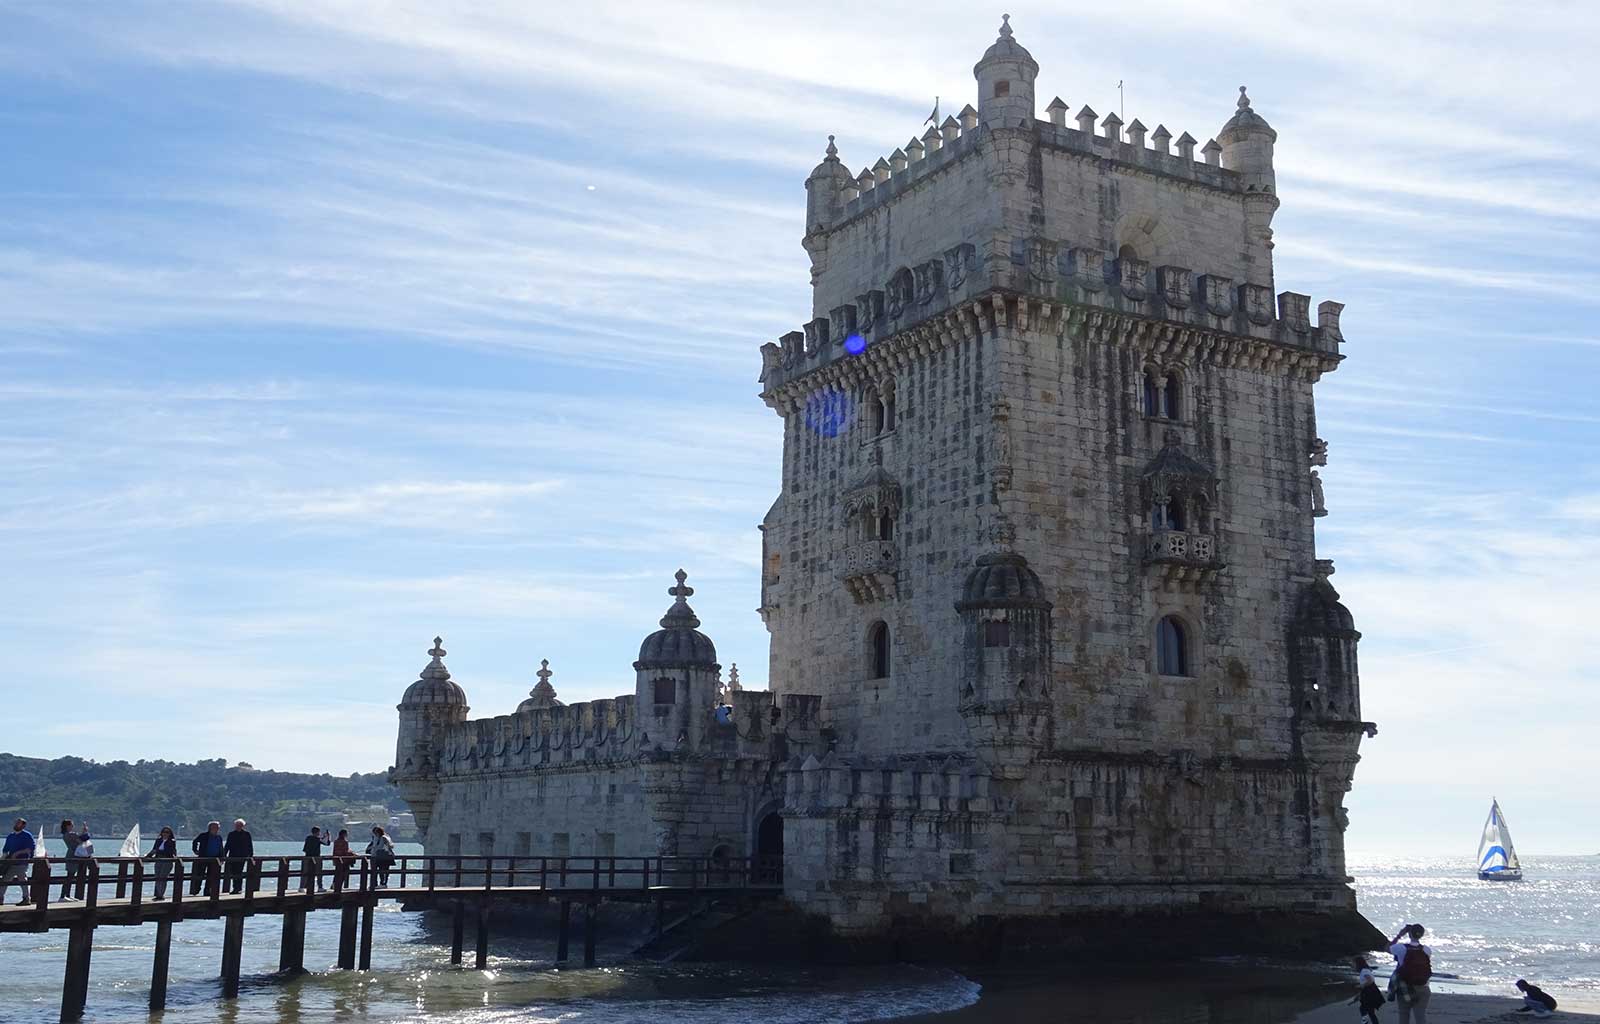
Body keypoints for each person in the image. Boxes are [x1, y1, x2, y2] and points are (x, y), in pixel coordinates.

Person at [1389, 923, 1434, 1024]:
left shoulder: (1401, 948)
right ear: (1422, 935)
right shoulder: (1426, 950)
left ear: (1409, 934)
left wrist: (1399, 935)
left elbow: (1387, 948)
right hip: (1423, 986)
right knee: (1420, 1017)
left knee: (1404, 1016)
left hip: (1405, 987)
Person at [1, 818, 35, 906]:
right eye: (16, 822)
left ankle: (26, 899)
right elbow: (5, 850)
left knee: (22, 880)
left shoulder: (27, 835)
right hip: (10, 863)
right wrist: (2, 860)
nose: (16, 824)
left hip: (22, 862)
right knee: (5, 880)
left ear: (23, 825)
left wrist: (18, 853)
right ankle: (0, 898)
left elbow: (30, 849)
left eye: (18, 823)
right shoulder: (10, 836)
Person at [144, 826, 178, 900]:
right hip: (158, 860)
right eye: (164, 832)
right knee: (157, 877)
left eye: (167, 832)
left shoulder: (172, 841)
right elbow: (154, 849)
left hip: (167, 861)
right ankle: (158, 894)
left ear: (170, 834)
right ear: (161, 833)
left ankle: (160, 894)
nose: (165, 833)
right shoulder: (158, 840)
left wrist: (174, 857)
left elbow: (171, 851)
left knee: (163, 878)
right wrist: (147, 857)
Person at [191, 821, 224, 896]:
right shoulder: (203, 835)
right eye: (215, 827)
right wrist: (195, 850)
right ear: (210, 828)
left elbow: (221, 848)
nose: (217, 829)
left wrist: (222, 857)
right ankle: (196, 890)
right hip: (203, 858)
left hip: (214, 860)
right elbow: (195, 841)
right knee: (200, 875)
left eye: (218, 828)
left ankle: (207, 891)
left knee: (211, 876)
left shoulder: (219, 837)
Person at [59, 820, 89, 901]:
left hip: (73, 855)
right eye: (72, 825)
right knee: (69, 877)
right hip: (73, 856)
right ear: (67, 826)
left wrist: (84, 832)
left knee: (71, 876)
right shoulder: (70, 834)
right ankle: (63, 896)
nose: (73, 826)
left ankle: (67, 895)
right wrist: (85, 832)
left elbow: (79, 838)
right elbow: (80, 840)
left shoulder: (66, 835)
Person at [222, 819, 254, 894]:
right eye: (236, 825)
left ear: (243, 826)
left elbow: (250, 845)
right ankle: (236, 888)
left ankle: (238, 888)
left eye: (239, 825)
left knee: (239, 872)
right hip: (232, 856)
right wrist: (224, 855)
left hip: (242, 856)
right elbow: (227, 845)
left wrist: (250, 855)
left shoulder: (247, 834)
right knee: (233, 872)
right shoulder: (231, 834)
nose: (238, 827)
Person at [1350, 957, 1385, 1024]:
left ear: (1358, 963)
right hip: (1369, 992)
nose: (1353, 964)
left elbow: (1370, 980)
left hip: (1369, 993)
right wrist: (1358, 995)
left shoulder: (1364, 971)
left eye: (1353, 963)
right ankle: (1366, 1022)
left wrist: (1362, 985)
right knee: (1368, 1010)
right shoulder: (1365, 970)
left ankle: (1365, 1022)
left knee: (1366, 1010)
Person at [301, 826, 331, 891]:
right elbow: (327, 843)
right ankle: (320, 887)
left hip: (307, 857)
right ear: (318, 832)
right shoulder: (317, 839)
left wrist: (323, 837)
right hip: (316, 858)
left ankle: (302, 887)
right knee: (319, 873)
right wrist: (328, 836)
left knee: (305, 873)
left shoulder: (308, 838)